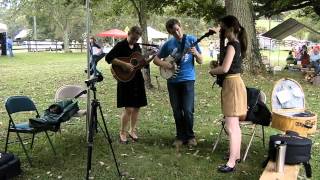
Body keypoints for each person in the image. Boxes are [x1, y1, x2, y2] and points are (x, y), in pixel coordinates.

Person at [153, 18, 203, 148]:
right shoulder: (169, 44)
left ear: (180, 26)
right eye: (173, 32)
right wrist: (166, 64)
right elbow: (156, 59)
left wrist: (196, 53)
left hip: (188, 79)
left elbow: (201, 61)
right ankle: (180, 136)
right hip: (173, 81)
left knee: (187, 110)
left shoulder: (191, 40)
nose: (177, 33)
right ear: (170, 33)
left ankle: (190, 136)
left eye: (177, 29)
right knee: (176, 110)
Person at [209, 15, 248, 173]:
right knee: (234, 126)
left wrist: (212, 70)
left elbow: (224, 69)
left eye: (223, 28)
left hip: (232, 84)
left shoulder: (232, 45)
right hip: (234, 83)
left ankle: (231, 163)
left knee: (231, 126)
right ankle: (236, 155)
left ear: (230, 28)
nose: (222, 31)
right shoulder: (235, 44)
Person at [105, 26, 147, 143]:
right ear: (128, 34)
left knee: (137, 106)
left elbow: (139, 64)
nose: (134, 41)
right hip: (125, 80)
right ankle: (122, 132)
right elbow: (108, 58)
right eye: (133, 38)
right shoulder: (120, 45)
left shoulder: (137, 46)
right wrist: (123, 64)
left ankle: (132, 130)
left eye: (136, 39)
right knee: (128, 108)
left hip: (137, 79)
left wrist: (147, 60)